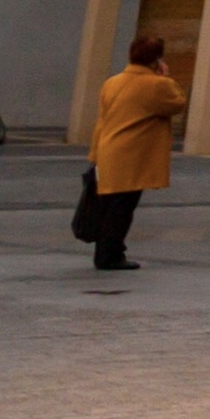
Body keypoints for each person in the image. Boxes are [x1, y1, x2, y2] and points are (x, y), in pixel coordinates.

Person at [77, 34, 185, 273]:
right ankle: (110, 255)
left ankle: (107, 252)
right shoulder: (158, 85)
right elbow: (177, 104)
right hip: (133, 154)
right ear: (157, 59)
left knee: (109, 206)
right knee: (122, 208)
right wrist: (165, 77)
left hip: (108, 149)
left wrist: (94, 154)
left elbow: (102, 119)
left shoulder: (112, 82)